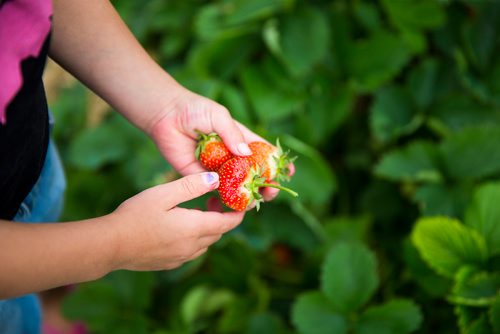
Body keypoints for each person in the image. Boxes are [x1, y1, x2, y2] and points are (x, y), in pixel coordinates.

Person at [0, 0, 288, 333]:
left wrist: (165, 106)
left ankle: (47, 286)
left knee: (44, 222)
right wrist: (115, 245)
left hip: (27, 152)